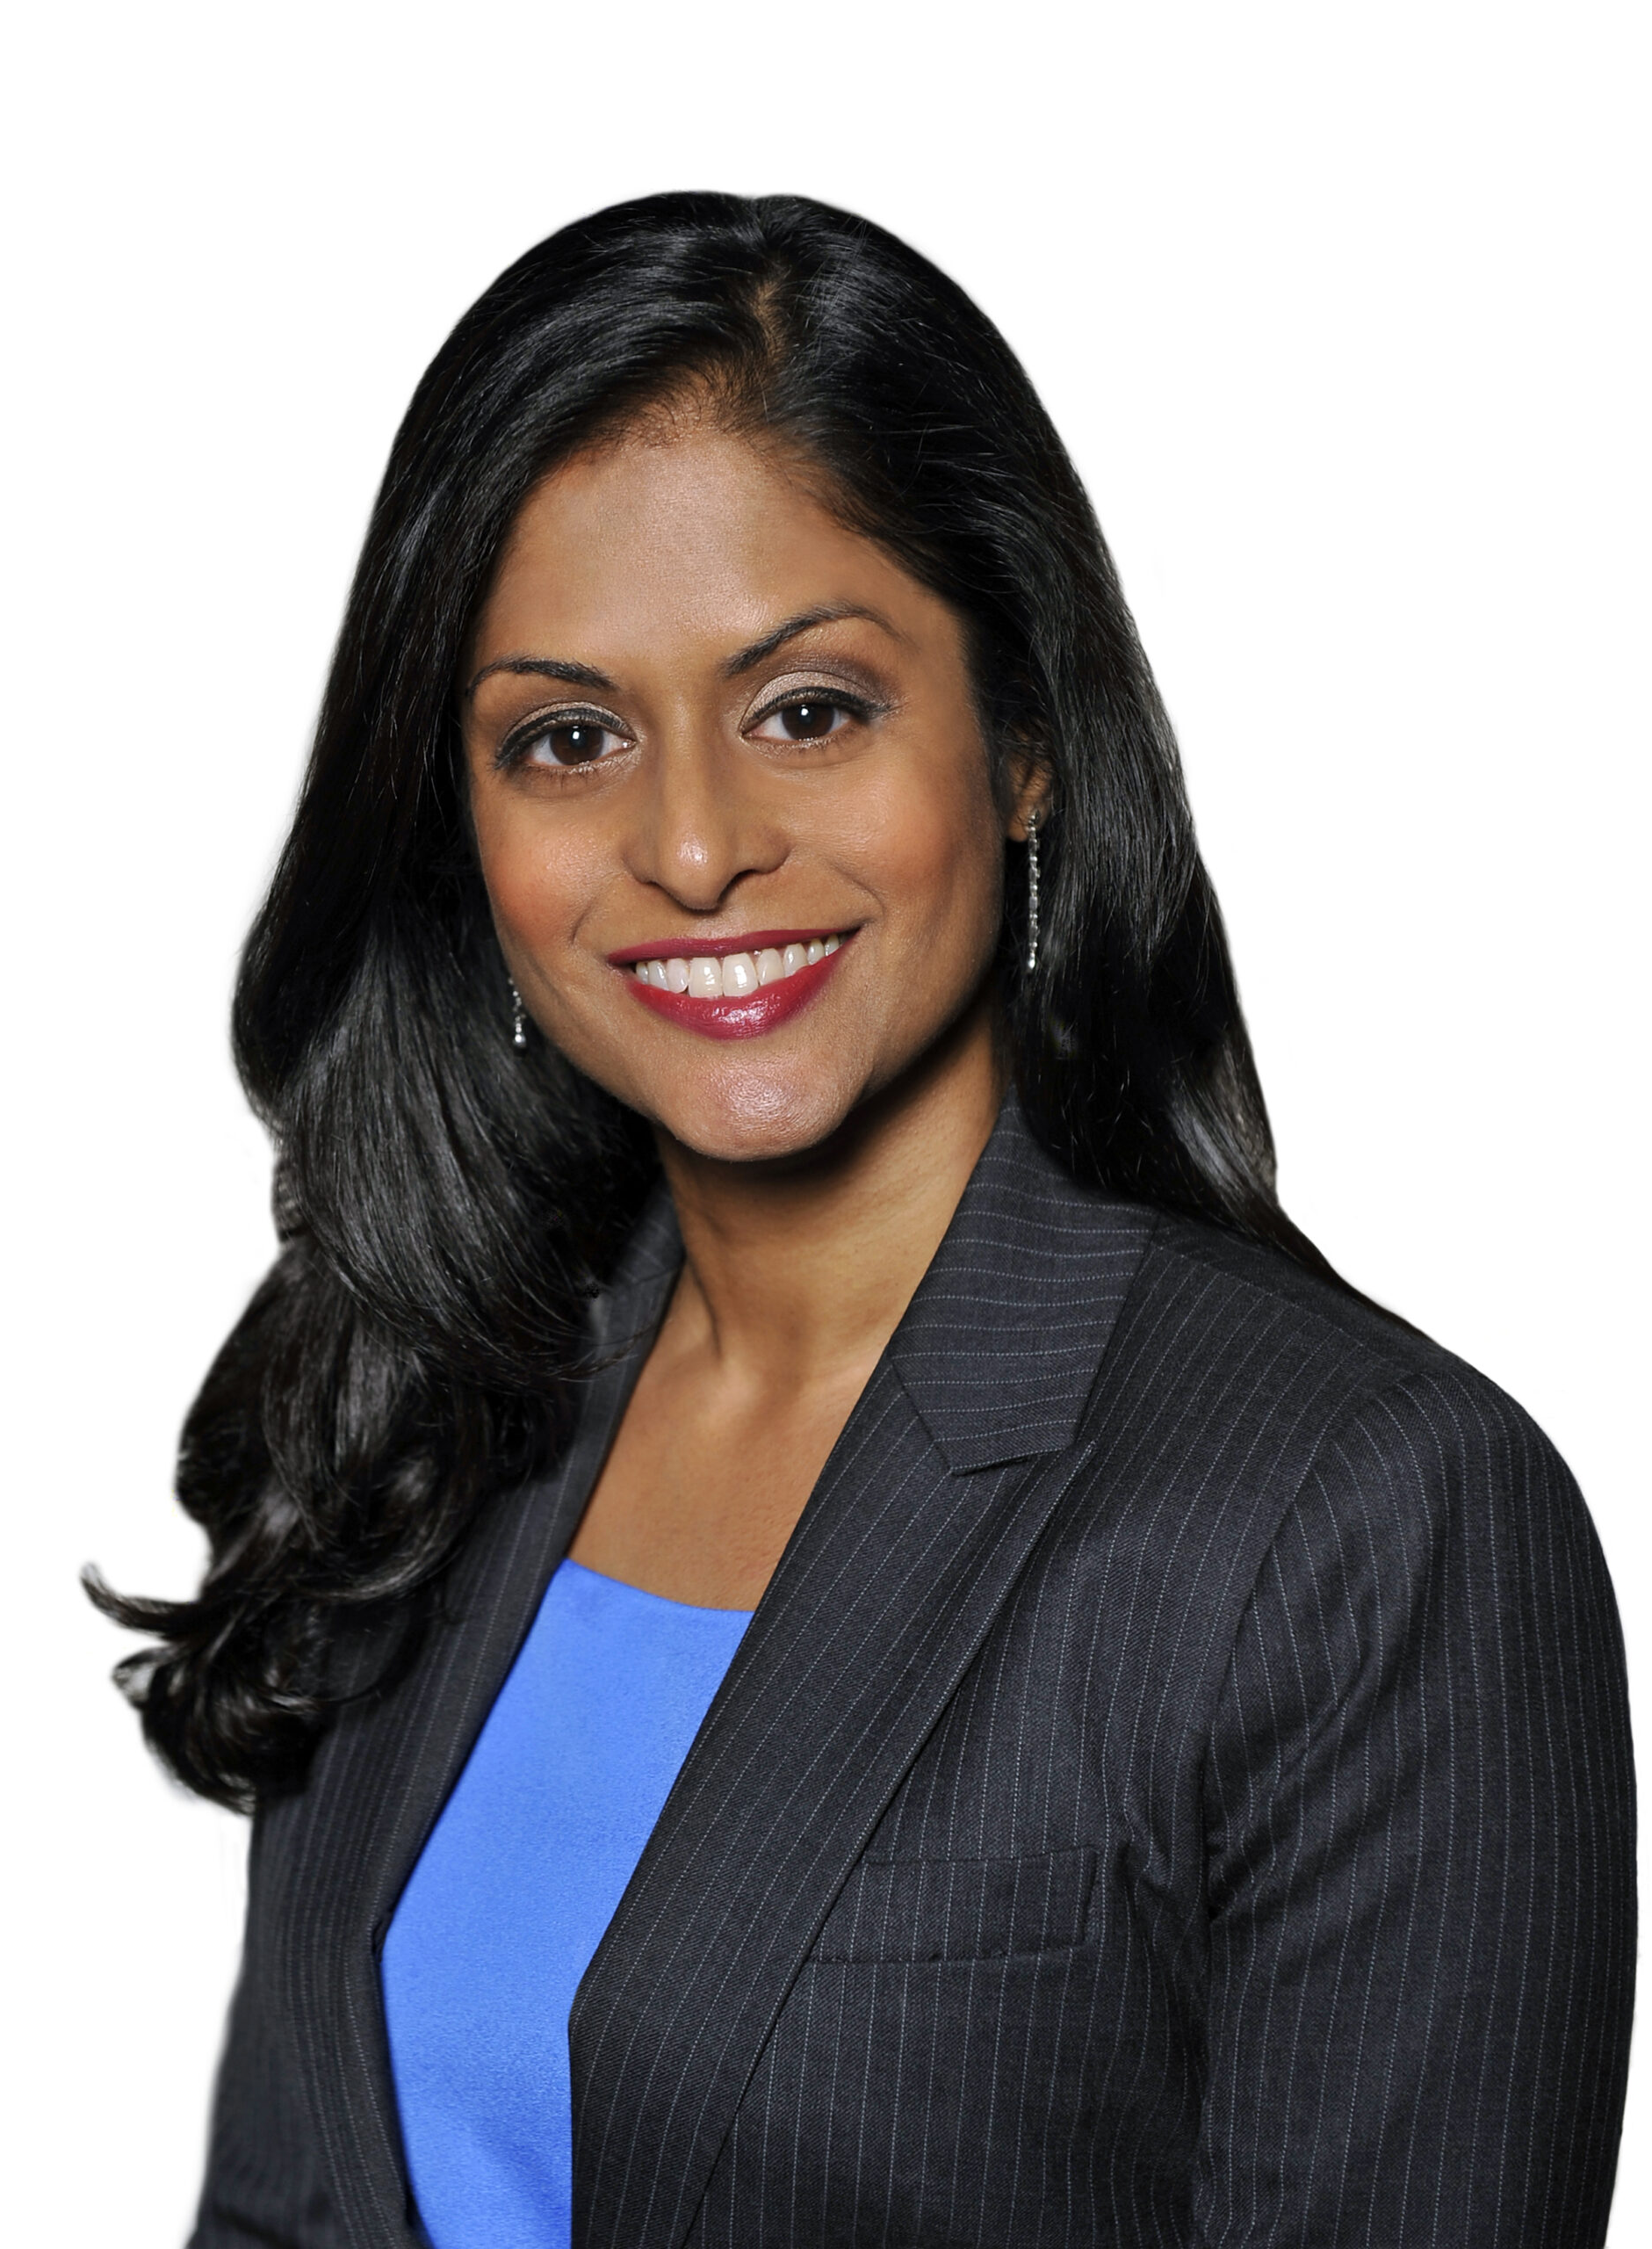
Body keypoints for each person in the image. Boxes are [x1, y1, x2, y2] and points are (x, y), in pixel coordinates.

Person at [93, 192, 1634, 2249]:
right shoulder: (431, 1397)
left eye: (807, 705)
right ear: (459, 828)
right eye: (569, 737)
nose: (699, 843)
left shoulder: (1358, 1521)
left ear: (1018, 741)